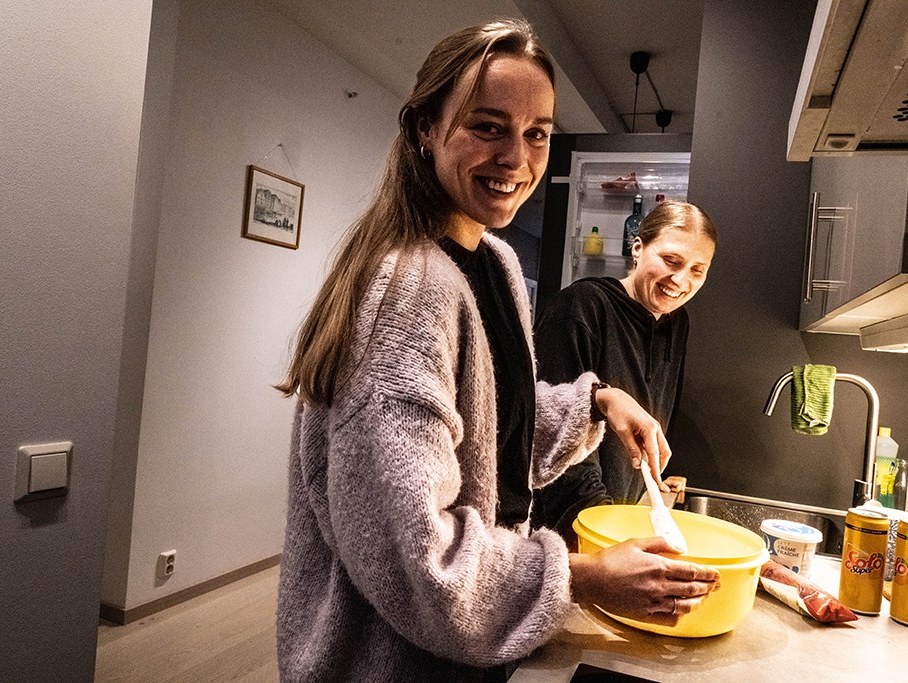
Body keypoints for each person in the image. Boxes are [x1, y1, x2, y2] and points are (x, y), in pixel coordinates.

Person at [274, 20, 719, 683]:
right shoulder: (409, 292)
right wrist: (583, 576)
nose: (518, 156)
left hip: (464, 651)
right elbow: (416, 552)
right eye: (488, 126)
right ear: (427, 128)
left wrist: (598, 400)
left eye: (536, 133)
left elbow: (487, 427)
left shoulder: (496, 263)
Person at [531, 199, 717, 541]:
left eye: (697, 270)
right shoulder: (581, 307)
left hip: (619, 521)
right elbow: (556, 439)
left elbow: (657, 415)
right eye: (671, 260)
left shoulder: (676, 323)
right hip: (565, 534)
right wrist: (605, 534)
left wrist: (657, 487)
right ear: (638, 249)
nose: (680, 280)